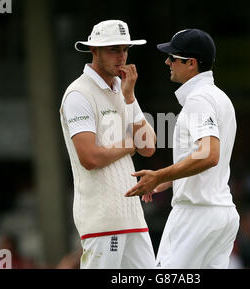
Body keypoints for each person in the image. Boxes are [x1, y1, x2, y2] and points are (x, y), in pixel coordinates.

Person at [125, 29, 240, 268]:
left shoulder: (199, 100)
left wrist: (159, 175)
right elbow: (204, 158)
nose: (167, 62)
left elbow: (209, 155)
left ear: (191, 64)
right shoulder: (220, 97)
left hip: (196, 215)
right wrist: (171, 180)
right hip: (222, 215)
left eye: (173, 58)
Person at [60, 20, 156, 269]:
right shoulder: (78, 94)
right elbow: (89, 157)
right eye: (114, 49)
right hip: (102, 221)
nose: (122, 57)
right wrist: (127, 146)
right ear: (94, 51)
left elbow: (148, 146)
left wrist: (130, 96)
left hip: (133, 217)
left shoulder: (123, 90)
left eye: (125, 49)